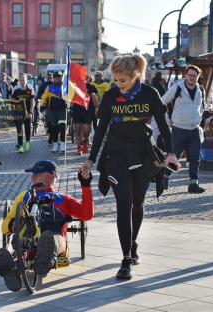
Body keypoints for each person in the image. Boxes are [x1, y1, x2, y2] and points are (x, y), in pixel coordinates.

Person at [79, 54, 180, 280]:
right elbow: (101, 131)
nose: (118, 85)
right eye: (115, 80)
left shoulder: (149, 93)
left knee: (138, 203)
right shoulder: (111, 96)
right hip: (116, 156)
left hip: (143, 155)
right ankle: (125, 259)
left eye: (122, 80)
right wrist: (91, 160)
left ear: (135, 76)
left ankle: (133, 243)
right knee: (123, 204)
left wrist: (171, 153)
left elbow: (163, 126)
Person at [0, 160, 94, 291]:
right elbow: (5, 226)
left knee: (51, 239)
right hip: (28, 238)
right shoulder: (24, 196)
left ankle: (40, 257)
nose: (32, 177)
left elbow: (86, 215)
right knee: (21, 239)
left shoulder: (63, 198)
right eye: (33, 174)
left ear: (51, 176)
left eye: (37, 174)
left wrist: (85, 186)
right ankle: (12, 265)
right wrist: (14, 224)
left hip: (55, 237)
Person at [161, 65, 208, 193]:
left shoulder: (201, 89)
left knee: (194, 157)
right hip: (179, 128)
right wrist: (167, 119)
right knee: (174, 156)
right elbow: (162, 102)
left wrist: (200, 119)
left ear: (198, 77)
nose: (192, 78)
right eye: (190, 75)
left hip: (194, 129)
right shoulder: (177, 88)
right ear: (186, 75)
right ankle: (164, 177)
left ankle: (194, 183)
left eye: (195, 76)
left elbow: (203, 107)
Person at [40, 71, 67, 153]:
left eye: (59, 77)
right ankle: (55, 145)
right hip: (52, 110)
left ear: (61, 77)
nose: (57, 78)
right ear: (53, 78)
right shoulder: (49, 87)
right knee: (54, 129)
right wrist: (42, 107)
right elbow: (44, 97)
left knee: (62, 127)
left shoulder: (65, 86)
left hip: (62, 110)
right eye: (55, 77)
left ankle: (62, 145)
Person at [72, 80, 98, 155]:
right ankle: (79, 148)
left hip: (87, 110)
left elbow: (94, 98)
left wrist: (96, 108)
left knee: (86, 130)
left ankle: (85, 141)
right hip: (76, 110)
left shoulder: (90, 87)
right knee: (77, 129)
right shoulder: (73, 87)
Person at [12, 73, 35, 153]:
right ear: (19, 81)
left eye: (23, 80)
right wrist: (16, 101)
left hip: (27, 113)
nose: (22, 82)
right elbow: (12, 101)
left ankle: (27, 142)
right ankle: (21, 145)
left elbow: (32, 102)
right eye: (21, 80)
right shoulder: (16, 91)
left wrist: (31, 112)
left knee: (27, 128)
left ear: (26, 80)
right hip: (18, 114)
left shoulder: (30, 90)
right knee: (19, 130)